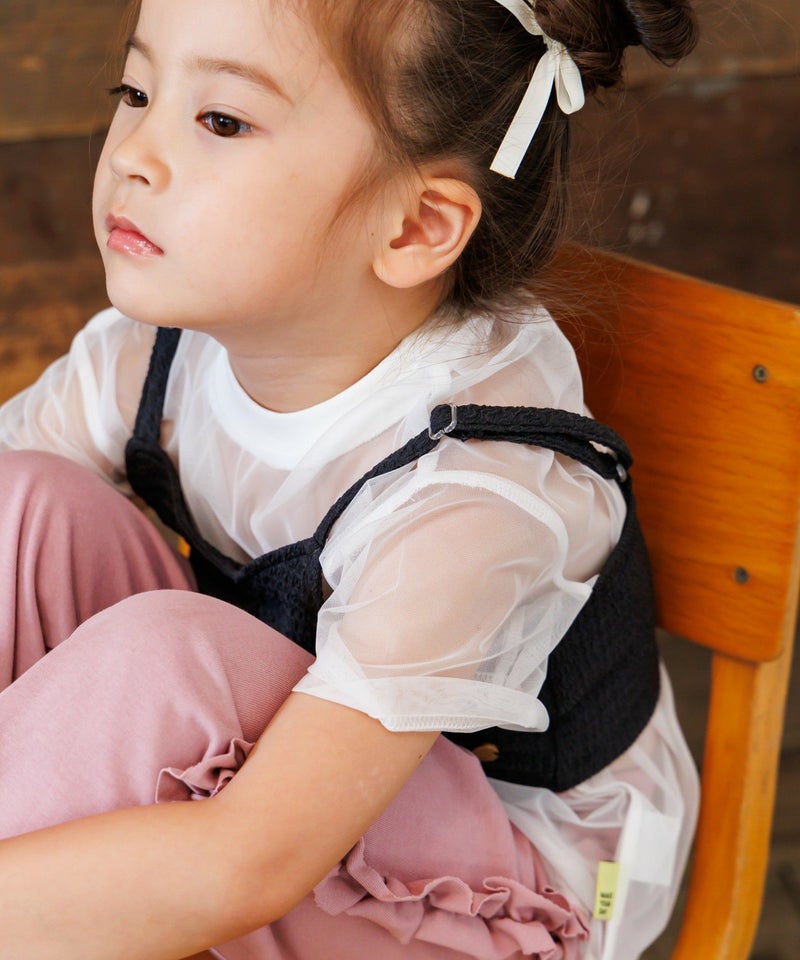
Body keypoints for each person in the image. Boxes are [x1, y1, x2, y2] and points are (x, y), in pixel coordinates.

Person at [0, 0, 700, 957]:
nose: (134, 155)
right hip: (298, 781)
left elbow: (248, 864)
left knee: (164, 658)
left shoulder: (474, 490)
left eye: (221, 121)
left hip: (505, 893)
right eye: (136, 91)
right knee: (21, 506)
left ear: (414, 227)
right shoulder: (160, 350)